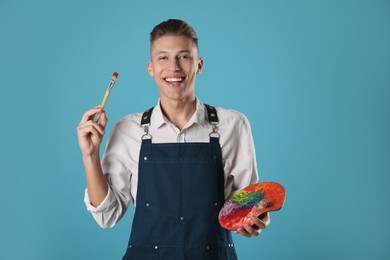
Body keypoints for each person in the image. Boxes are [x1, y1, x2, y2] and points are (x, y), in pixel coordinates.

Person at [77, 19, 270, 260]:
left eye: (184, 56)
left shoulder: (233, 125)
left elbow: (243, 210)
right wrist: (90, 155)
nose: (174, 67)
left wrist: (254, 218)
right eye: (163, 58)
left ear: (199, 65)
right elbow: (107, 216)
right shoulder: (128, 129)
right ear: (150, 68)